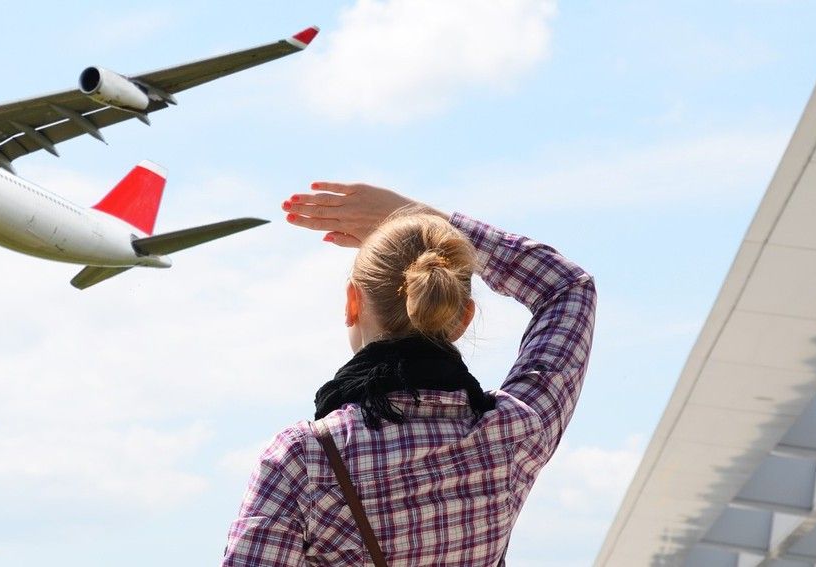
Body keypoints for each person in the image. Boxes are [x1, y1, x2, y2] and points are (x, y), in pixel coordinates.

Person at [222, 182, 597, 566]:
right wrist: (432, 218)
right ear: (464, 318)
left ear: (353, 302)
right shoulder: (512, 433)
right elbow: (568, 288)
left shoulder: (303, 458)